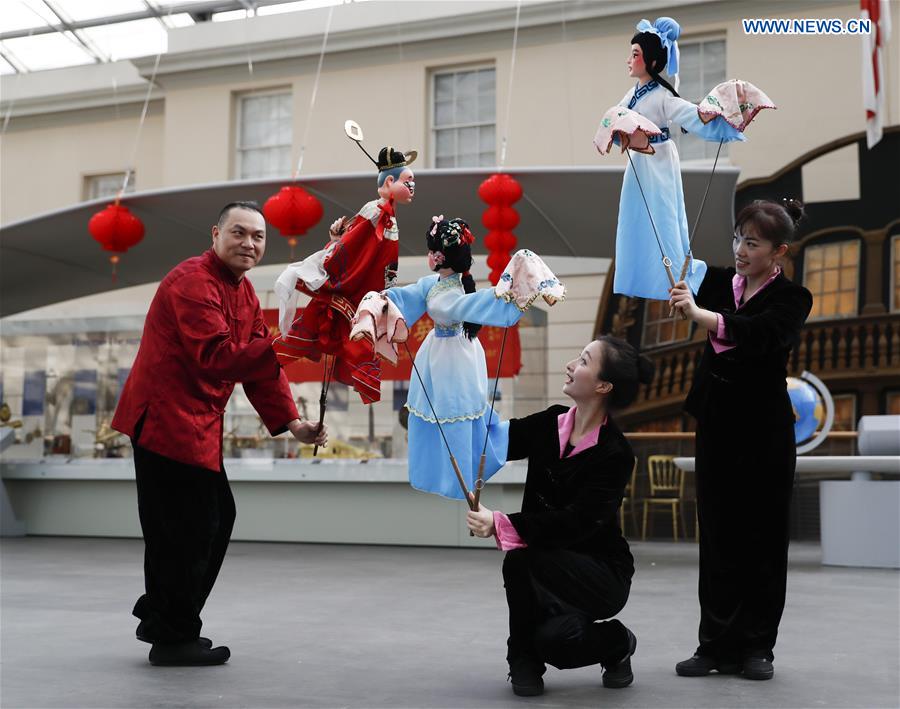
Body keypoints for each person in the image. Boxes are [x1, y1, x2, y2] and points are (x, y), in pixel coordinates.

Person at [112, 201, 327, 667]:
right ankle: (173, 635)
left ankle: (166, 619)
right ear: (215, 234)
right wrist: (291, 341)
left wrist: (293, 423)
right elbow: (219, 356)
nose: (249, 244)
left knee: (200, 523)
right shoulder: (191, 281)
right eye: (239, 233)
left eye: (258, 237)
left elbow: (260, 367)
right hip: (164, 419)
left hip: (198, 424)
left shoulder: (244, 292)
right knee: (188, 528)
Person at [668, 198, 813, 681]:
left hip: (764, 431)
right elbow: (671, 258)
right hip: (716, 423)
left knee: (763, 539)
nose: (741, 249)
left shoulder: (794, 299)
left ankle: (757, 648)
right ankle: (713, 645)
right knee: (717, 536)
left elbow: (758, 334)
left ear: (779, 252)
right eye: (737, 239)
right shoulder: (715, 283)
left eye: (752, 242)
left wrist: (702, 315)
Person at [467, 336, 654, 697]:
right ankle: (523, 660)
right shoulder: (551, 422)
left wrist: (502, 523)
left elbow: (577, 523)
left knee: (551, 625)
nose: (571, 365)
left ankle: (617, 640)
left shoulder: (615, 453)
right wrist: (454, 413)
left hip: (599, 574)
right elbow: (498, 440)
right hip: (546, 562)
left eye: (583, 361)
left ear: (603, 385)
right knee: (525, 576)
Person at [380, 217, 563, 499]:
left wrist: (508, 292)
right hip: (442, 352)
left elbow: (466, 305)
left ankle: (460, 481)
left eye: (434, 251)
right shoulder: (435, 284)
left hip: (453, 359)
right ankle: (442, 476)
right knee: (440, 416)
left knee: (456, 415)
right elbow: (408, 297)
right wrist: (382, 300)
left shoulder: (451, 295)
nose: (430, 256)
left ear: (443, 257)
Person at [609, 16, 747, 301]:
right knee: (634, 220)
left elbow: (692, 116)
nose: (629, 60)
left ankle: (679, 276)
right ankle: (642, 276)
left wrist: (721, 119)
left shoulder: (662, 96)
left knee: (664, 220)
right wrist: (615, 131)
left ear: (652, 62)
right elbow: (616, 118)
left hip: (658, 162)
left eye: (635, 55)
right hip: (637, 166)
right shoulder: (631, 95)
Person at [273, 146, 416, 403]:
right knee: (351, 342)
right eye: (408, 181)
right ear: (391, 182)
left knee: (356, 342)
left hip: (367, 293)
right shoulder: (374, 212)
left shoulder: (386, 215)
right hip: (355, 291)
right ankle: (262, 364)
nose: (412, 186)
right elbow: (350, 248)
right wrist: (334, 249)